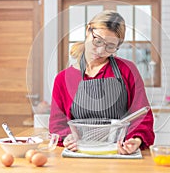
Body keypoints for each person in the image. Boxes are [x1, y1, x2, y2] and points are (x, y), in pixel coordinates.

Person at [49, 10, 154, 155]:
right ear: (88, 30)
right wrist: (67, 137)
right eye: (97, 41)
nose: (100, 50)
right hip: (80, 155)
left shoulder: (127, 70)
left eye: (110, 46)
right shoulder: (63, 79)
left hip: (118, 153)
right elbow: (57, 123)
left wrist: (135, 139)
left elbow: (142, 115)